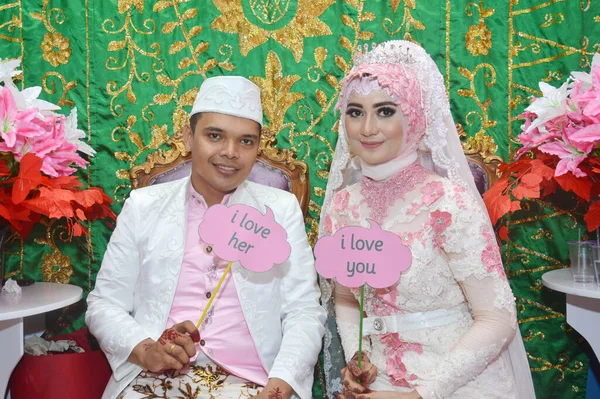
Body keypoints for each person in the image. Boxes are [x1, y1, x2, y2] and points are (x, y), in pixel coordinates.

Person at [318, 41, 536, 399]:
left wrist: (420, 395)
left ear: (414, 117)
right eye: (355, 112)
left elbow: (497, 320)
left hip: (456, 384)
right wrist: (360, 357)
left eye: (385, 111)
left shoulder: (448, 203)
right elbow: (346, 298)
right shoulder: (342, 206)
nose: (368, 127)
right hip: (380, 386)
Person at [86, 76, 326, 399]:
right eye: (215, 136)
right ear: (189, 136)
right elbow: (103, 305)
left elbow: (304, 312)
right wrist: (147, 351)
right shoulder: (144, 207)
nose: (230, 153)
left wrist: (279, 386)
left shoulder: (279, 210)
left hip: (254, 384)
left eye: (245, 142)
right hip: (153, 381)